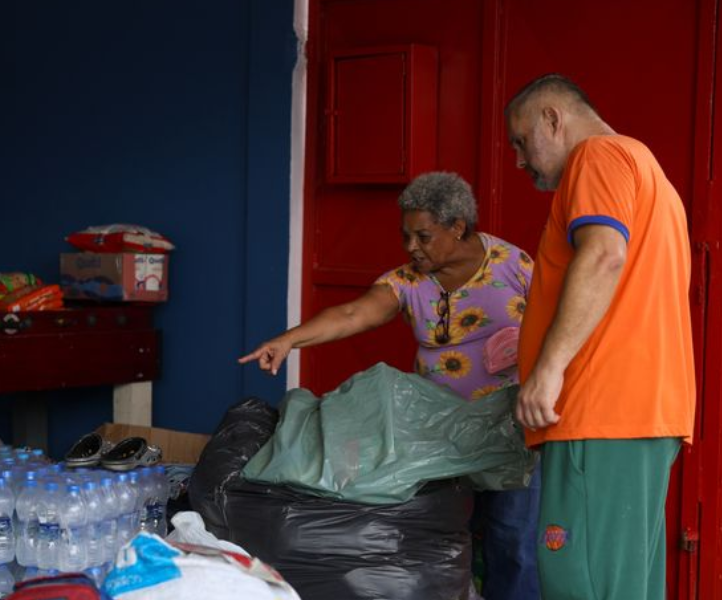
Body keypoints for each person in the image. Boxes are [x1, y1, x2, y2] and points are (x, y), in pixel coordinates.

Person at [240, 171, 541, 600]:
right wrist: (288, 340)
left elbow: (558, 325)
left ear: (457, 226)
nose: (411, 248)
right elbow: (353, 314)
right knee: (447, 541)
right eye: (406, 237)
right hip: (440, 438)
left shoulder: (514, 265)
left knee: (515, 544)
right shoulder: (408, 281)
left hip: (512, 431)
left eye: (423, 236)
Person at [505, 74, 696, 600]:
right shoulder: (647, 170)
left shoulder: (597, 158)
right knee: (622, 585)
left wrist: (548, 369)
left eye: (521, 140)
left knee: (579, 581)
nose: (519, 160)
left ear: (552, 118)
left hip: (601, 411)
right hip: (640, 415)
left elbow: (604, 254)